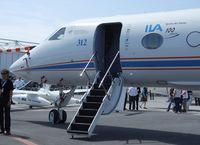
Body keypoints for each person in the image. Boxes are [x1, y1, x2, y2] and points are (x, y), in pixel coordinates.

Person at [0, 69, 14, 135]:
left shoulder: (9, 82)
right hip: (0, 100)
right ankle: (1, 129)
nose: (3, 75)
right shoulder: (0, 81)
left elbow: (11, 92)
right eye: (2, 74)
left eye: (4, 74)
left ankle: (7, 130)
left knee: (7, 116)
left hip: (7, 100)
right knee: (0, 115)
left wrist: (10, 100)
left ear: (7, 75)